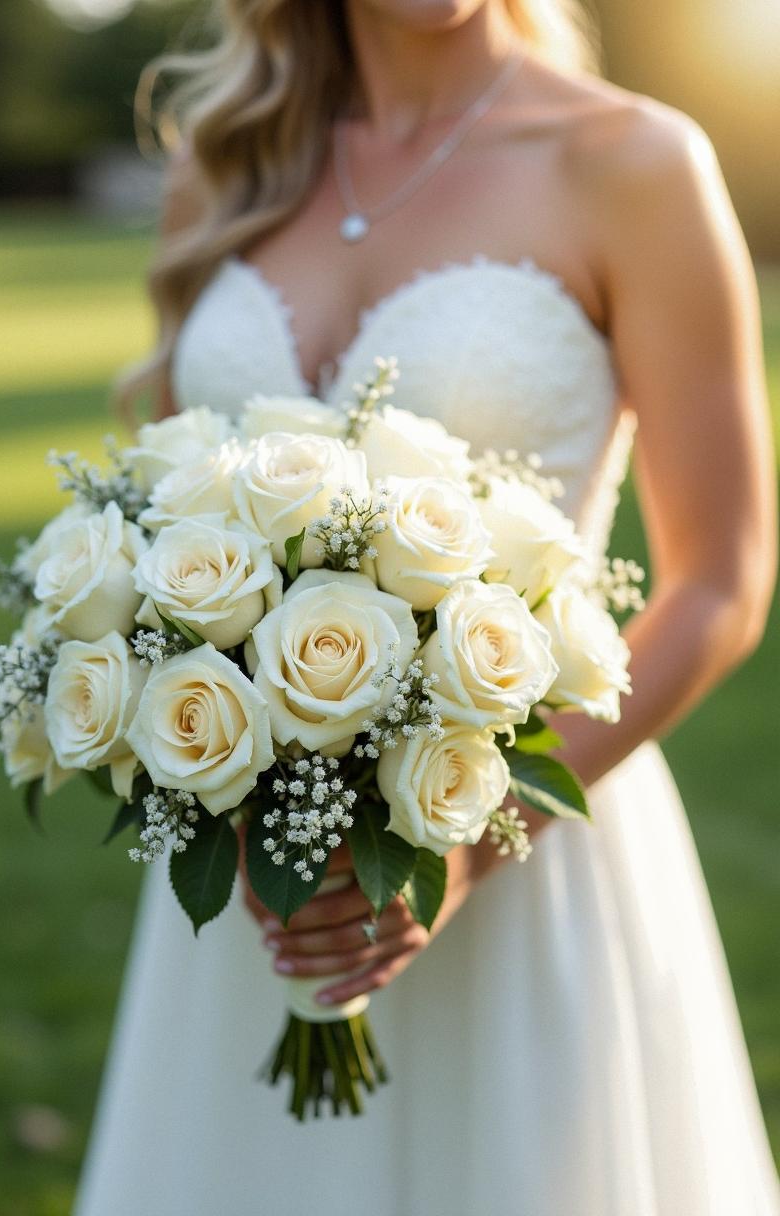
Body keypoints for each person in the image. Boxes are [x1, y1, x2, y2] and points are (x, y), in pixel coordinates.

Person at [74, 2, 780, 1213]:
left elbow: (722, 578)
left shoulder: (633, 163)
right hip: (260, 880)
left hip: (527, 841)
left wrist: (460, 843)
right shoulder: (222, 168)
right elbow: (163, 520)